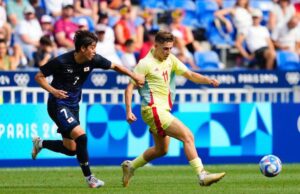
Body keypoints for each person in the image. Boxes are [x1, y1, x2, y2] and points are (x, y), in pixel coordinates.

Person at [32, 30, 144, 188]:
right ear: (82, 48)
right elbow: (38, 76)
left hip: (73, 106)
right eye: (92, 47)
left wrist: (134, 75)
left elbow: (116, 66)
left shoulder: (94, 59)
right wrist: (53, 91)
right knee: (82, 137)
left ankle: (40, 144)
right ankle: (90, 178)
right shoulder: (62, 61)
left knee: (71, 149)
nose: (94, 50)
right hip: (58, 104)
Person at [121, 31, 225, 188]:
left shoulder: (170, 59)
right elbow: (129, 88)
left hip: (163, 110)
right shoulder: (145, 63)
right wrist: (128, 111)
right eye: (165, 48)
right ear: (155, 46)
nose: (168, 52)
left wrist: (208, 80)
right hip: (153, 109)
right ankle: (202, 175)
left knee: (161, 150)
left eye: (170, 48)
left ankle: (131, 166)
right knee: (187, 136)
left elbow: (189, 74)